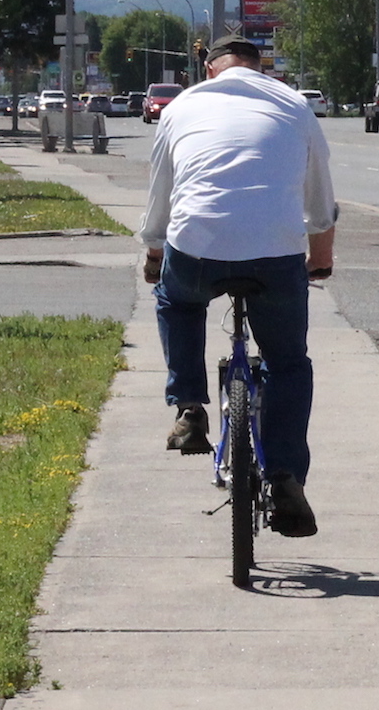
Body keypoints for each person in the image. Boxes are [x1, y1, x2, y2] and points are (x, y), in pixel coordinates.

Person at [139, 38, 337, 537]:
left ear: (209, 71)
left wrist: (155, 253)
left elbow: (162, 194)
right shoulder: (294, 104)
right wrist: (321, 261)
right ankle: (286, 474)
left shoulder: (181, 106)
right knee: (288, 362)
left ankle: (188, 408)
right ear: (260, 68)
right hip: (275, 251)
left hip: (197, 244)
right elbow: (320, 202)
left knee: (177, 301)